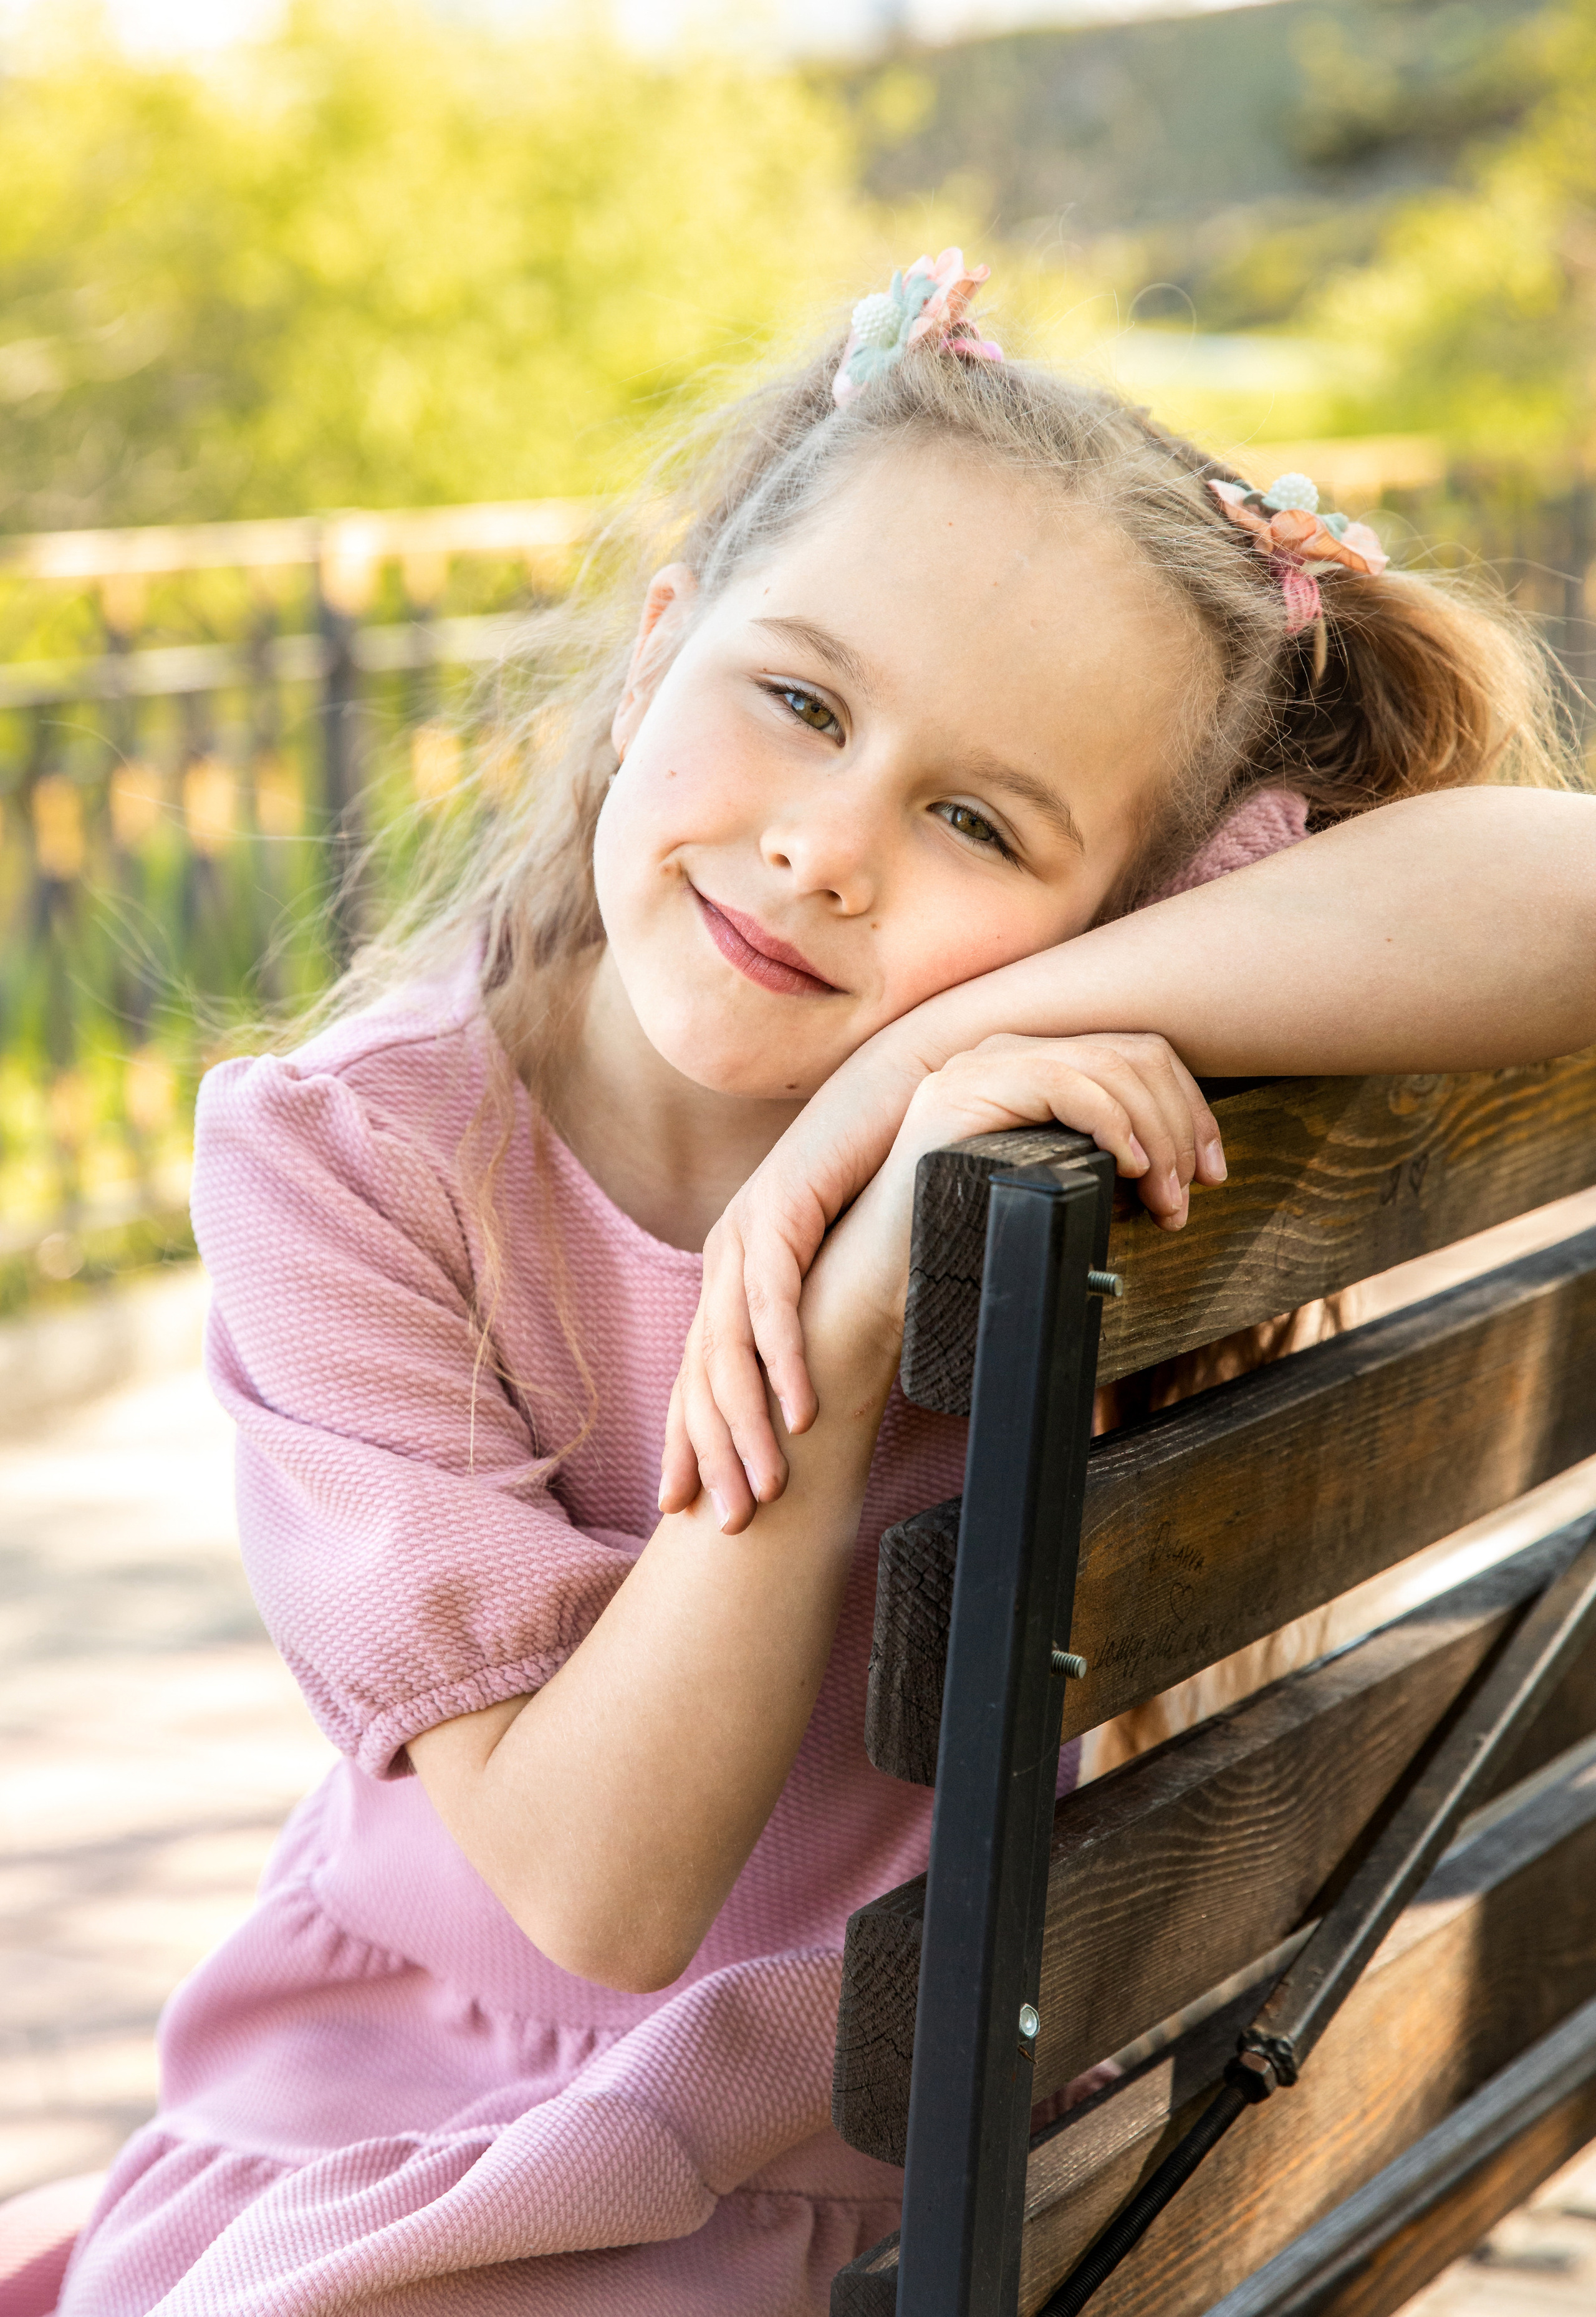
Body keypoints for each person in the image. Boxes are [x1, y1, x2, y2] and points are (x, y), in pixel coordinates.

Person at [32, 252, 1596, 2317]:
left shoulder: (1008, 1079)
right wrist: (849, 1311)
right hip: (427, 2143)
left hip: (850, 2166)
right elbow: (595, 1889)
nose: (830, 850)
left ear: (1125, 904)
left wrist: (898, 1084)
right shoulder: (356, 1160)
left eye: (974, 819)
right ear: (655, 646)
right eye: (799, 700)